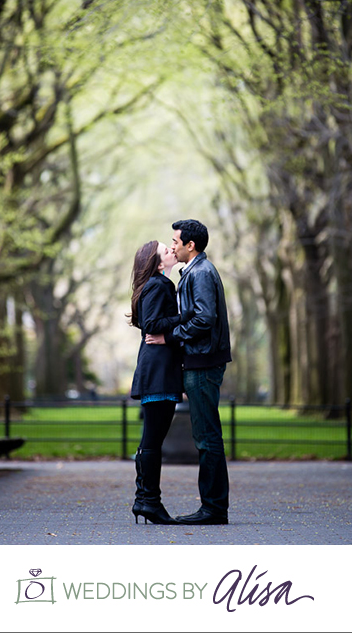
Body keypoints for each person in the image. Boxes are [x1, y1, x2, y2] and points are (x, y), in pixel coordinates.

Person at [145, 219, 231, 525]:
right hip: (199, 361)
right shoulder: (195, 272)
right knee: (205, 436)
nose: (173, 246)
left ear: (190, 245)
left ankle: (213, 509)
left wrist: (169, 337)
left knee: (207, 437)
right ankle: (213, 507)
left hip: (204, 362)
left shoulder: (201, 273)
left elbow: (204, 319)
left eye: (176, 241)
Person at [128, 240, 182, 525]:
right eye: (166, 250)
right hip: (158, 373)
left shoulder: (158, 285)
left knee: (152, 439)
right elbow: (151, 324)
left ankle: (146, 500)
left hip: (159, 372)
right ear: (158, 263)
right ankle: (148, 501)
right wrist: (186, 316)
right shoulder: (158, 285)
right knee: (152, 440)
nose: (172, 250)